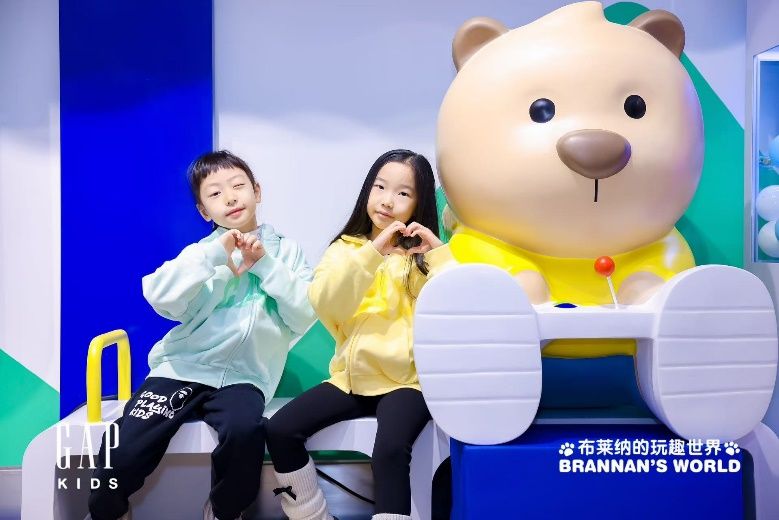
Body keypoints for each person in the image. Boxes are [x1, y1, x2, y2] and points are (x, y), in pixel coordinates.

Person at [86, 150, 316, 520]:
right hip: (180, 369)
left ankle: (223, 512)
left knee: (245, 433)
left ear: (257, 191)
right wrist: (211, 258)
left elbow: (304, 313)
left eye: (238, 186)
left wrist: (265, 266)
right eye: (215, 193)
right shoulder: (201, 253)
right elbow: (160, 295)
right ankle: (106, 511)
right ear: (204, 211)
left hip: (245, 378)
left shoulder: (287, 253)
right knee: (126, 446)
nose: (230, 197)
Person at [266, 149, 452, 520]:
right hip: (350, 381)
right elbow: (326, 302)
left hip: (407, 384)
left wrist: (439, 253)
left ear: (419, 203)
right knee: (279, 430)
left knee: (390, 451)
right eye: (380, 187)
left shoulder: (426, 258)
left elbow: (458, 307)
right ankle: (312, 515)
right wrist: (374, 251)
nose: (387, 200)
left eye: (403, 193)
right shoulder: (345, 250)